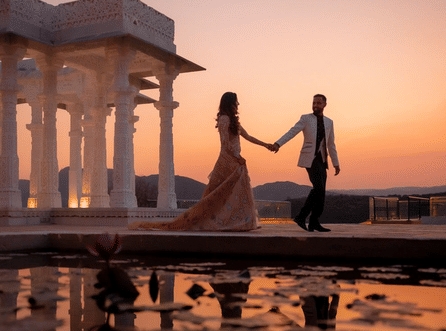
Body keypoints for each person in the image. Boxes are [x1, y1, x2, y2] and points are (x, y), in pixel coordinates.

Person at [132, 92, 275, 231]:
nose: (237, 105)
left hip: (236, 160)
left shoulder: (233, 121)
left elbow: (248, 136)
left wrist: (265, 144)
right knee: (218, 193)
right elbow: (225, 143)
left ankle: (242, 222)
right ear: (229, 103)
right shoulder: (224, 119)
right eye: (235, 102)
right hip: (228, 160)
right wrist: (236, 157)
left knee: (237, 193)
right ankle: (219, 221)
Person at [270, 94, 340, 232]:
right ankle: (301, 217)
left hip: (322, 160)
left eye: (318, 103)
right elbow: (292, 132)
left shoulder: (329, 122)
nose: (315, 105)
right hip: (310, 159)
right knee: (318, 188)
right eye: (314, 103)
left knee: (321, 192)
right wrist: (278, 144)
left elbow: (331, 145)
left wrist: (335, 163)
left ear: (325, 104)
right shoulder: (306, 118)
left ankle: (314, 222)